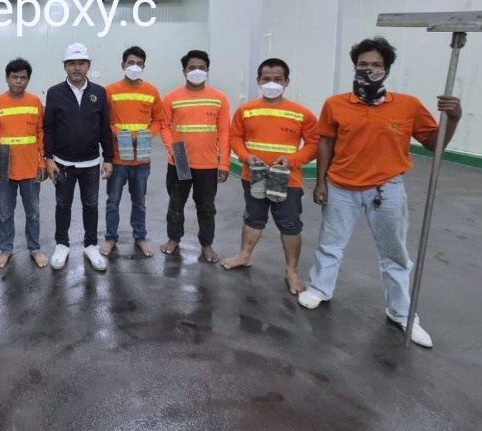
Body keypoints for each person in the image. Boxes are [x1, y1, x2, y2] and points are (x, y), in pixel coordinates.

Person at [297, 37, 462, 348]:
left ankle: (402, 312)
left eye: (376, 65)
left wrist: (453, 118)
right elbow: (326, 141)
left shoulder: (408, 105)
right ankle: (319, 288)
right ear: (354, 67)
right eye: (363, 64)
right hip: (341, 186)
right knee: (330, 244)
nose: (369, 69)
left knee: (394, 255)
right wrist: (321, 181)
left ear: (387, 69)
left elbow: (433, 143)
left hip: (386, 190)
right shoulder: (335, 104)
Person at [221, 58, 319, 294]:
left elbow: (314, 144)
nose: (272, 84)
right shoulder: (246, 110)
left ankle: (291, 271)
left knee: (290, 224)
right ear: (258, 81)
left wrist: (292, 160)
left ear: (286, 82)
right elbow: (235, 137)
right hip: (253, 176)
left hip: (287, 180)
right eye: (266, 79)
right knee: (253, 217)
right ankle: (244, 255)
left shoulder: (301, 113)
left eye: (277, 79)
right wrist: (246, 157)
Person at [44, 43, 114, 272]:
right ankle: (62, 244)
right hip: (62, 163)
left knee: (91, 205)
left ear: (88, 66)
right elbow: (49, 129)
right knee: (62, 204)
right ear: (65, 66)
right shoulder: (54, 93)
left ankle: (90, 245)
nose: (76, 68)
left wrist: (108, 157)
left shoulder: (99, 93)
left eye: (81, 63)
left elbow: (104, 127)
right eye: (72, 63)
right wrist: (48, 158)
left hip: (91, 163)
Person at [159, 50, 230, 262]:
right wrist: (173, 150)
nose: (197, 71)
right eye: (192, 68)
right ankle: (173, 238)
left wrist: (224, 164)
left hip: (208, 164)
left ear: (208, 70)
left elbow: (224, 132)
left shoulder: (219, 99)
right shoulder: (172, 97)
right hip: (180, 161)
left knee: (206, 208)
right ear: (184, 71)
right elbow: (164, 126)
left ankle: (207, 244)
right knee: (176, 204)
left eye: (201, 67)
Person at [101, 46, 164, 258]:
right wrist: (118, 133)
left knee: (140, 202)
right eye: (130, 63)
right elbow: (104, 120)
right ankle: (110, 238)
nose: (134, 67)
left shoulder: (151, 91)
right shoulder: (110, 91)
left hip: (142, 160)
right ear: (123, 65)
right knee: (113, 201)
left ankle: (140, 238)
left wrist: (147, 134)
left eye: (139, 64)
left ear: (144, 67)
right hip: (118, 159)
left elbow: (158, 120)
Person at [0, 58, 48, 269]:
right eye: (14, 77)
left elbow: (41, 133)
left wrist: (42, 162)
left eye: (23, 78)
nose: (18, 81)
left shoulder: (35, 102)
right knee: (5, 213)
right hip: (4, 169)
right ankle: (5, 249)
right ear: (7, 78)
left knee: (33, 213)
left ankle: (35, 248)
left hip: (30, 168)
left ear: (28, 80)